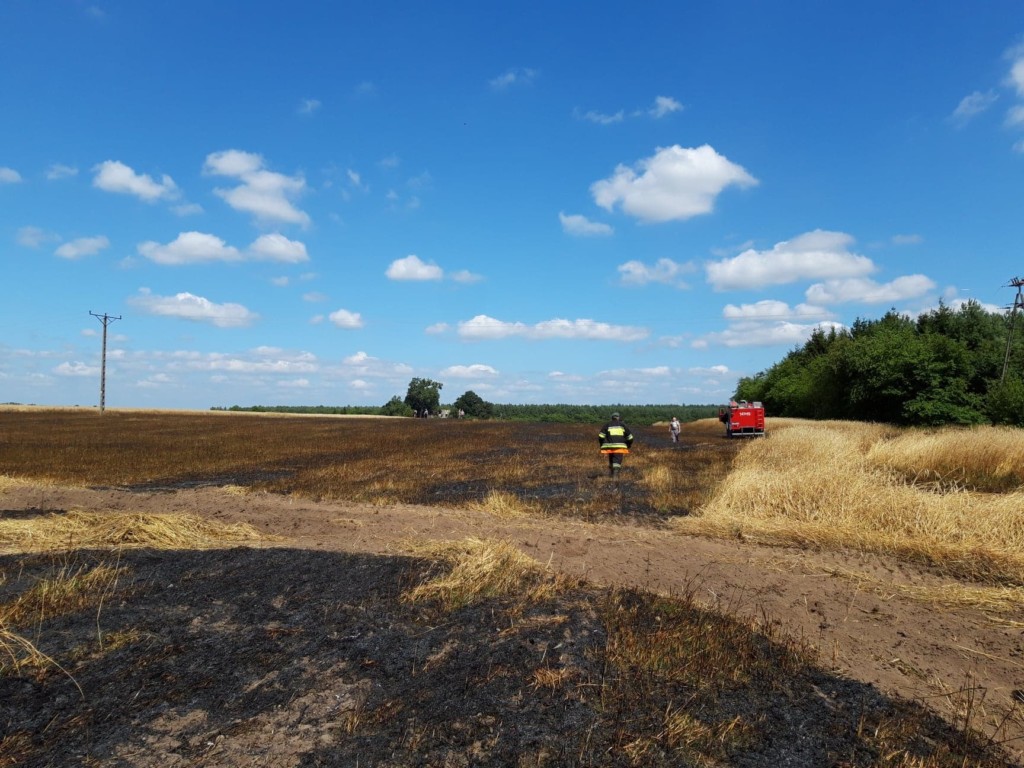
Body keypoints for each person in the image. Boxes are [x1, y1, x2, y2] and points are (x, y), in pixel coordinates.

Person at [598, 412, 634, 478]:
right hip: (619, 447)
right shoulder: (623, 425)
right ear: (618, 417)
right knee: (617, 461)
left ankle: (611, 475)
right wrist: (628, 445)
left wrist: (602, 445)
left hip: (609, 447)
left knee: (611, 460)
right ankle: (615, 476)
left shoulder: (607, 425)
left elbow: (601, 436)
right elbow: (630, 437)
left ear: (612, 418)